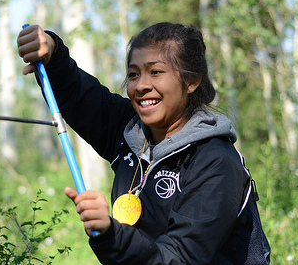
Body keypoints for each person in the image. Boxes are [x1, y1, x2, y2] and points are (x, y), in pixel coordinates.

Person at [17, 22, 270, 264]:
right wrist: (51, 52)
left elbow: (180, 259)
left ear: (192, 81)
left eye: (156, 72)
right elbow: (81, 97)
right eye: (133, 74)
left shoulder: (215, 163)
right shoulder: (130, 130)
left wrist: (112, 233)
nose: (141, 86)